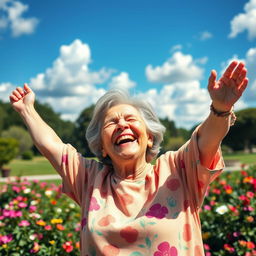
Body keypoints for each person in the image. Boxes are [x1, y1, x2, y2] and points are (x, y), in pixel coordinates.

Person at [10, 60, 248, 256]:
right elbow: (52, 146)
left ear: (149, 138)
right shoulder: (89, 180)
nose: (122, 124)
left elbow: (206, 139)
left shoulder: (177, 169)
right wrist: (27, 110)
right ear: (102, 147)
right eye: (111, 122)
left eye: (130, 119)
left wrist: (220, 109)